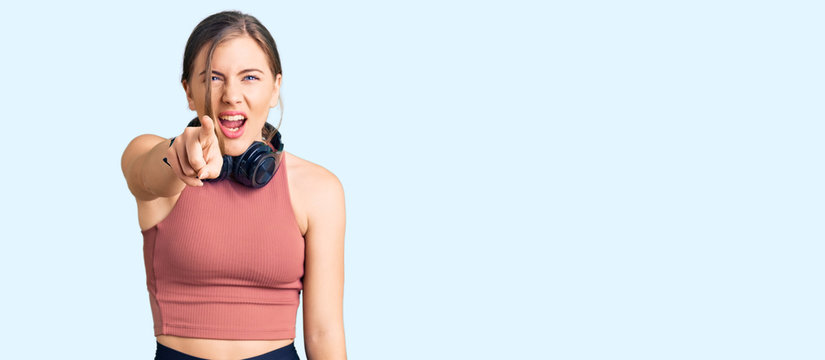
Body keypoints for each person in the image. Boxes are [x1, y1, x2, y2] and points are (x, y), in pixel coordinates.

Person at [121, 11, 347, 360]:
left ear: (275, 88)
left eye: (250, 77)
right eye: (214, 78)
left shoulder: (319, 189)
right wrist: (178, 157)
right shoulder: (157, 157)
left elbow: (324, 332)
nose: (232, 95)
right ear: (189, 92)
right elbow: (145, 173)